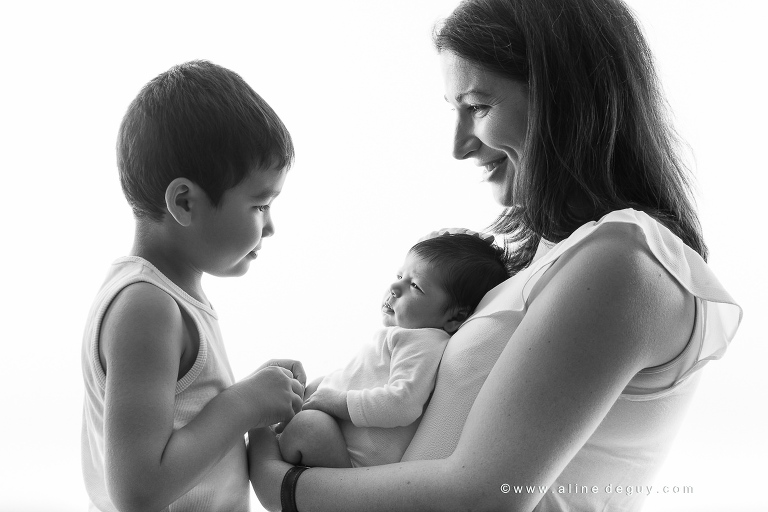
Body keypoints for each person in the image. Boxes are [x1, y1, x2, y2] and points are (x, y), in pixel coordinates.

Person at [248, 1, 743, 511]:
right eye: (454, 109)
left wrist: (278, 482)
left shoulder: (624, 261)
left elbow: (483, 497)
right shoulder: (554, 259)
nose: (459, 146)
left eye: (479, 107)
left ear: (565, 100)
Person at [80, 60, 307, 512]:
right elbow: (138, 492)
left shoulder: (163, 297)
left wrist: (251, 392)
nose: (271, 227)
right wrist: (242, 404)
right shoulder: (147, 306)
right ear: (184, 202)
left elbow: (176, 421)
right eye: (260, 204)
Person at [278, 233, 511, 469]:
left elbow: (403, 404)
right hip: (338, 440)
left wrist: (334, 401)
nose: (394, 287)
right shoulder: (409, 335)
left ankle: (269, 441)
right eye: (400, 276)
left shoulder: (424, 342)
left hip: (353, 464)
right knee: (317, 386)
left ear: (456, 316)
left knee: (307, 427)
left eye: (415, 286)